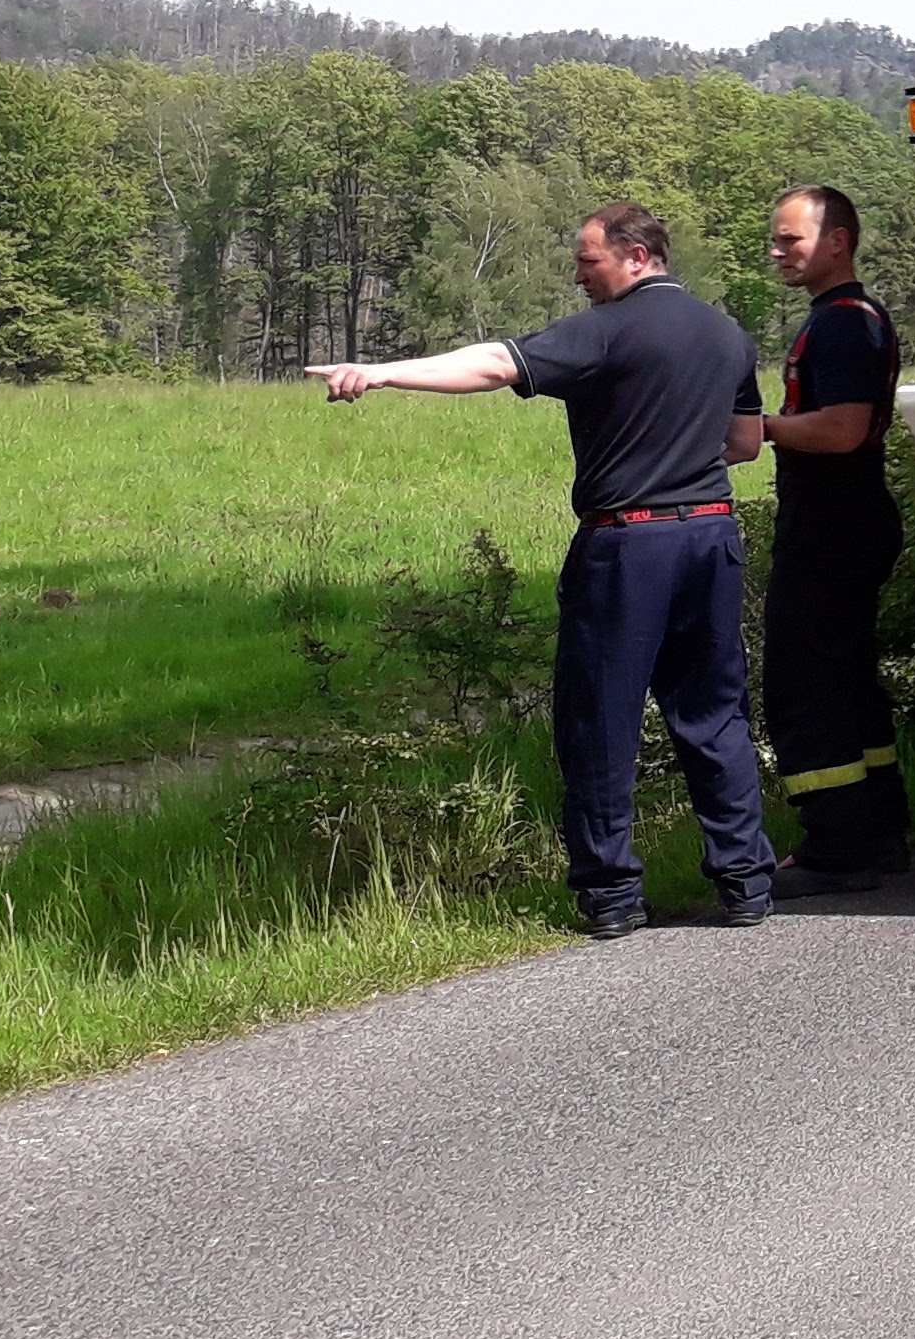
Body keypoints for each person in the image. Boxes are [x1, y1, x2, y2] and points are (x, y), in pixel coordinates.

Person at [309, 202, 774, 938]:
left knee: (600, 719)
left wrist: (381, 373)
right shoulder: (727, 334)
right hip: (711, 537)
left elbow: (495, 363)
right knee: (714, 714)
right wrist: (676, 452)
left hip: (628, 545)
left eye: (588, 262)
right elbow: (746, 443)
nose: (578, 275)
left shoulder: (606, 331)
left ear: (637, 258)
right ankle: (746, 882)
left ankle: (613, 896)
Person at [753, 184, 909, 895]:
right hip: (854, 519)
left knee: (806, 683)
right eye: (777, 240)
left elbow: (842, 429)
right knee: (849, 680)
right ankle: (880, 833)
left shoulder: (844, 323)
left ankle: (837, 849)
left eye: (791, 240)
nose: (777, 252)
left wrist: (759, 428)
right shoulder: (853, 316)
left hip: (831, 526)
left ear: (837, 241)